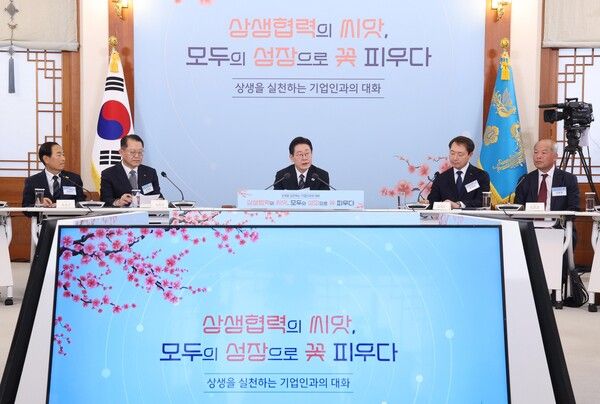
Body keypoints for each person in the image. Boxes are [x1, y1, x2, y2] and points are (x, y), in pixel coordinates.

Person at [514, 139, 579, 211]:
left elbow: (573, 208)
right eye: (536, 152)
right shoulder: (524, 180)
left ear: (555, 157)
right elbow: (518, 208)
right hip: (530, 218)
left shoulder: (568, 179)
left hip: (558, 218)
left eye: (543, 153)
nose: (538, 156)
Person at [428, 135, 490, 208]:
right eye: (452, 153)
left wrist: (459, 205)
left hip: (472, 215)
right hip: (447, 215)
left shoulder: (481, 176)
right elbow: (433, 201)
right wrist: (427, 202)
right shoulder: (441, 178)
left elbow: (482, 201)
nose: (455, 158)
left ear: (470, 155)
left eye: (460, 154)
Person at [100, 134, 161, 207]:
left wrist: (160, 201)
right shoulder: (109, 174)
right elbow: (105, 200)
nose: (137, 156)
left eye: (140, 152)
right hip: (121, 213)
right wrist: (118, 202)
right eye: (132, 152)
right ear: (121, 152)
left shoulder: (150, 172)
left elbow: (157, 195)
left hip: (146, 213)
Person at [22, 142, 86, 207]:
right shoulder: (32, 181)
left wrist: (61, 205)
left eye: (63, 155)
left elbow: (81, 203)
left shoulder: (74, 179)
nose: (63, 159)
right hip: (43, 214)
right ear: (46, 159)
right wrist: (38, 204)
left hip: (68, 214)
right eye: (59, 155)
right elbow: (26, 206)